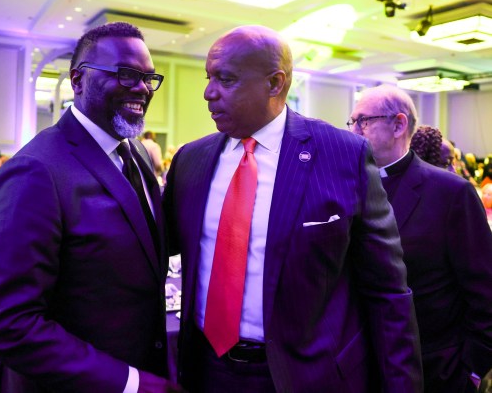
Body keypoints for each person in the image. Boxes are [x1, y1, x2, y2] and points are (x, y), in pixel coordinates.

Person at [163, 25, 422, 393]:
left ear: (275, 83)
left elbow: (388, 292)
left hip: (308, 375)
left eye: (226, 79)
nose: (208, 92)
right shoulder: (192, 160)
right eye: (209, 78)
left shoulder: (342, 155)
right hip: (207, 371)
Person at [0, 22, 183, 393]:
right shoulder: (35, 171)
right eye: (126, 74)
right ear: (78, 80)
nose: (141, 88)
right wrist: (130, 383)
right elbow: (6, 324)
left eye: (148, 77)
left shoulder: (133, 152)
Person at [349, 84, 492, 393]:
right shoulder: (348, 187)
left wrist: (474, 368)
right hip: (362, 363)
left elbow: (484, 289)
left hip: (436, 367)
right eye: (352, 122)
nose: (354, 130)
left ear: (399, 124)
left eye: (363, 120)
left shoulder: (451, 192)